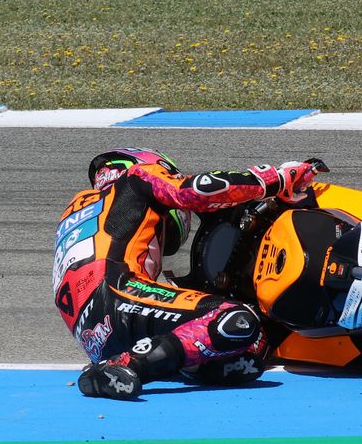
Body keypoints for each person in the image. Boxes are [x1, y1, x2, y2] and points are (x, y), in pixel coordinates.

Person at [54, 148, 320, 400]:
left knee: (251, 348)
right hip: (117, 292)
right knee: (235, 319)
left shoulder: (79, 211)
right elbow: (196, 191)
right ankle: (129, 364)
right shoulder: (136, 177)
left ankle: (190, 365)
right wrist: (275, 179)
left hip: (93, 335)